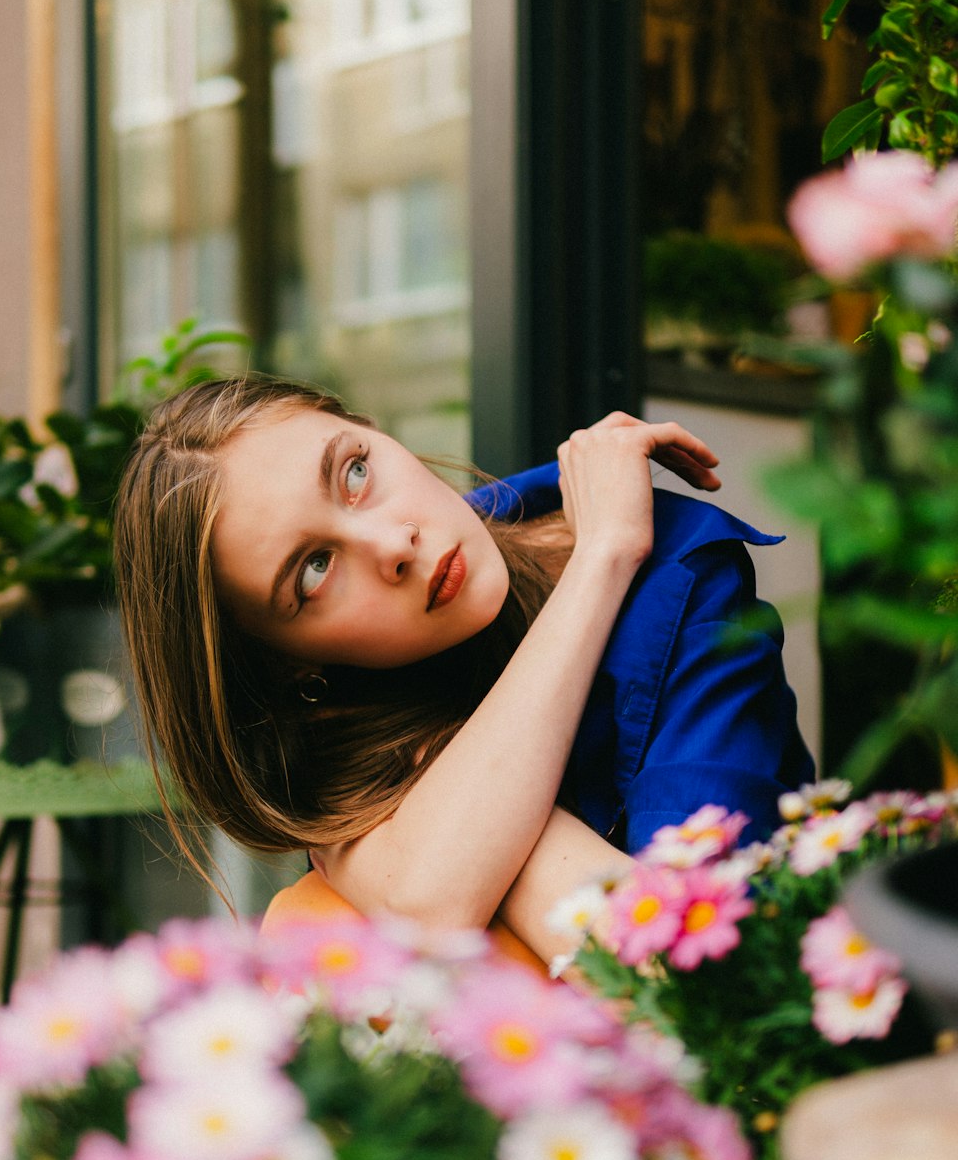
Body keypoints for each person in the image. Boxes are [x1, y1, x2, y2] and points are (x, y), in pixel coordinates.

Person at [114, 376, 813, 963]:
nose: (394, 543)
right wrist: (602, 561)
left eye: (355, 471)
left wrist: (467, 840)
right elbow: (430, 908)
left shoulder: (676, 569)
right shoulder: (333, 728)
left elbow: (705, 972)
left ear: (371, 428)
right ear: (291, 664)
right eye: (315, 570)